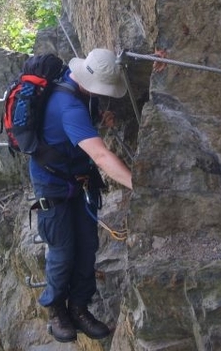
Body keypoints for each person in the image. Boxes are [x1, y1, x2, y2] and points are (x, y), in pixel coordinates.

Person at [29, 48, 133, 343]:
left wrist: (100, 117)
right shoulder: (69, 106)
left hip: (77, 179)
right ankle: (57, 310)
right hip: (52, 183)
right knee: (63, 250)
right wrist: (137, 184)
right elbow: (100, 155)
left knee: (86, 246)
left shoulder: (78, 89)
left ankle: (80, 307)